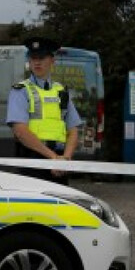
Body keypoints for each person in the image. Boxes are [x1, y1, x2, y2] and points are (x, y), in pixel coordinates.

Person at [5, 36, 82, 185]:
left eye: (41, 57)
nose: (37, 62)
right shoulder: (21, 90)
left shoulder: (61, 91)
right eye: (33, 58)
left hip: (59, 162)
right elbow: (20, 131)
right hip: (32, 161)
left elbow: (73, 130)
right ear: (29, 61)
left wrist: (65, 160)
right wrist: (53, 158)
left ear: (52, 60)